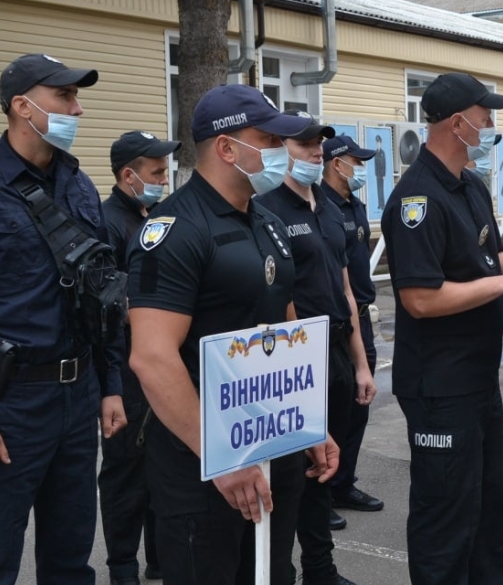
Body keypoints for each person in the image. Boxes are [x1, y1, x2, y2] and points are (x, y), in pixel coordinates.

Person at [125, 84, 339, 585]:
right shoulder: (174, 229)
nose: (279, 152)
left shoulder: (266, 221)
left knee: (271, 574)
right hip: (204, 464)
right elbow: (152, 358)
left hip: (273, 442)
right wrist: (220, 456)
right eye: (266, 140)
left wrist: (309, 423)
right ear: (226, 148)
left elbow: (285, 322)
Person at [0, 53, 128, 584]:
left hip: (79, 393)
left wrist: (111, 385)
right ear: (22, 106)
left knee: (70, 556)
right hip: (11, 402)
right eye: (65, 97)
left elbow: (102, 297)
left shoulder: (79, 185)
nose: (77, 109)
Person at [381, 72, 503, 585]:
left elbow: (485, 257)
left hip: (478, 379)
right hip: (439, 385)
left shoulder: (470, 186)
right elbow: (419, 298)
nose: (491, 128)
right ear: (457, 124)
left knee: (488, 513)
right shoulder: (417, 200)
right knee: (446, 522)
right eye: (485, 118)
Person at [256, 112, 376, 585]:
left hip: (339, 349)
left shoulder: (327, 204)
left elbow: (345, 287)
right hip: (298, 352)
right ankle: (282, 570)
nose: (315, 152)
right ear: (279, 147)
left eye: (318, 145)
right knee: (296, 474)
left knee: (327, 469)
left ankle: (320, 569)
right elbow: (279, 296)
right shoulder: (269, 208)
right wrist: (298, 362)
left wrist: (362, 363)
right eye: (305, 145)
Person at [100, 130, 179, 585]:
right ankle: (122, 567)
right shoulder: (108, 222)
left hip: (161, 359)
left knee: (161, 469)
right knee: (125, 473)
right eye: (156, 173)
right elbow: (112, 303)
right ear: (128, 175)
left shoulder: (160, 218)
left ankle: (159, 558)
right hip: (126, 366)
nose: (163, 180)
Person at [321, 134, 386, 522]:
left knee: (359, 408)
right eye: (355, 162)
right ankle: (323, 491)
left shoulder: (354, 204)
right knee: (335, 410)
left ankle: (344, 482)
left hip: (363, 314)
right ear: (336, 163)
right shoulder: (321, 207)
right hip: (339, 321)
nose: (359, 169)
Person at [373, 133, 387, 209]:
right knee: (378, 189)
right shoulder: (376, 153)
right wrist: (375, 173)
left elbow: (384, 163)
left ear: (380, 143)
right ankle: (379, 204)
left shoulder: (382, 153)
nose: (378, 144)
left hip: (382, 174)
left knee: (381, 189)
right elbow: (375, 163)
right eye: (377, 143)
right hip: (377, 174)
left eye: (379, 143)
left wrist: (384, 174)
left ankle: (383, 204)